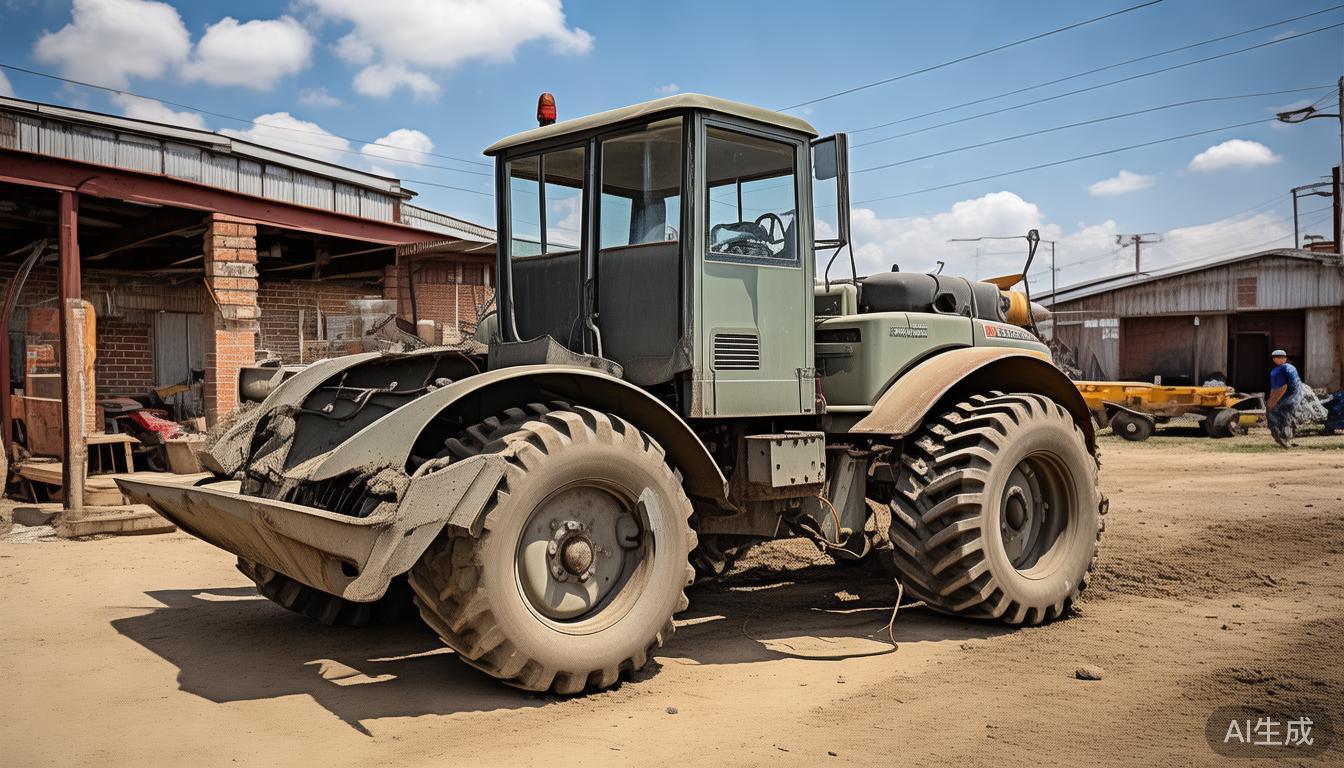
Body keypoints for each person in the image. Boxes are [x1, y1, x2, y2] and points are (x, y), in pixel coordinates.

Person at [1265, 349, 1301, 448]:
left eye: (1277, 357)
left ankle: (1280, 438)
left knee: (1274, 414)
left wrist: (1272, 402)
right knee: (1289, 418)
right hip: (1295, 398)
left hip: (1285, 398)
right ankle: (1286, 439)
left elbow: (1282, 387)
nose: (1276, 359)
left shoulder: (1279, 370)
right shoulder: (1291, 367)